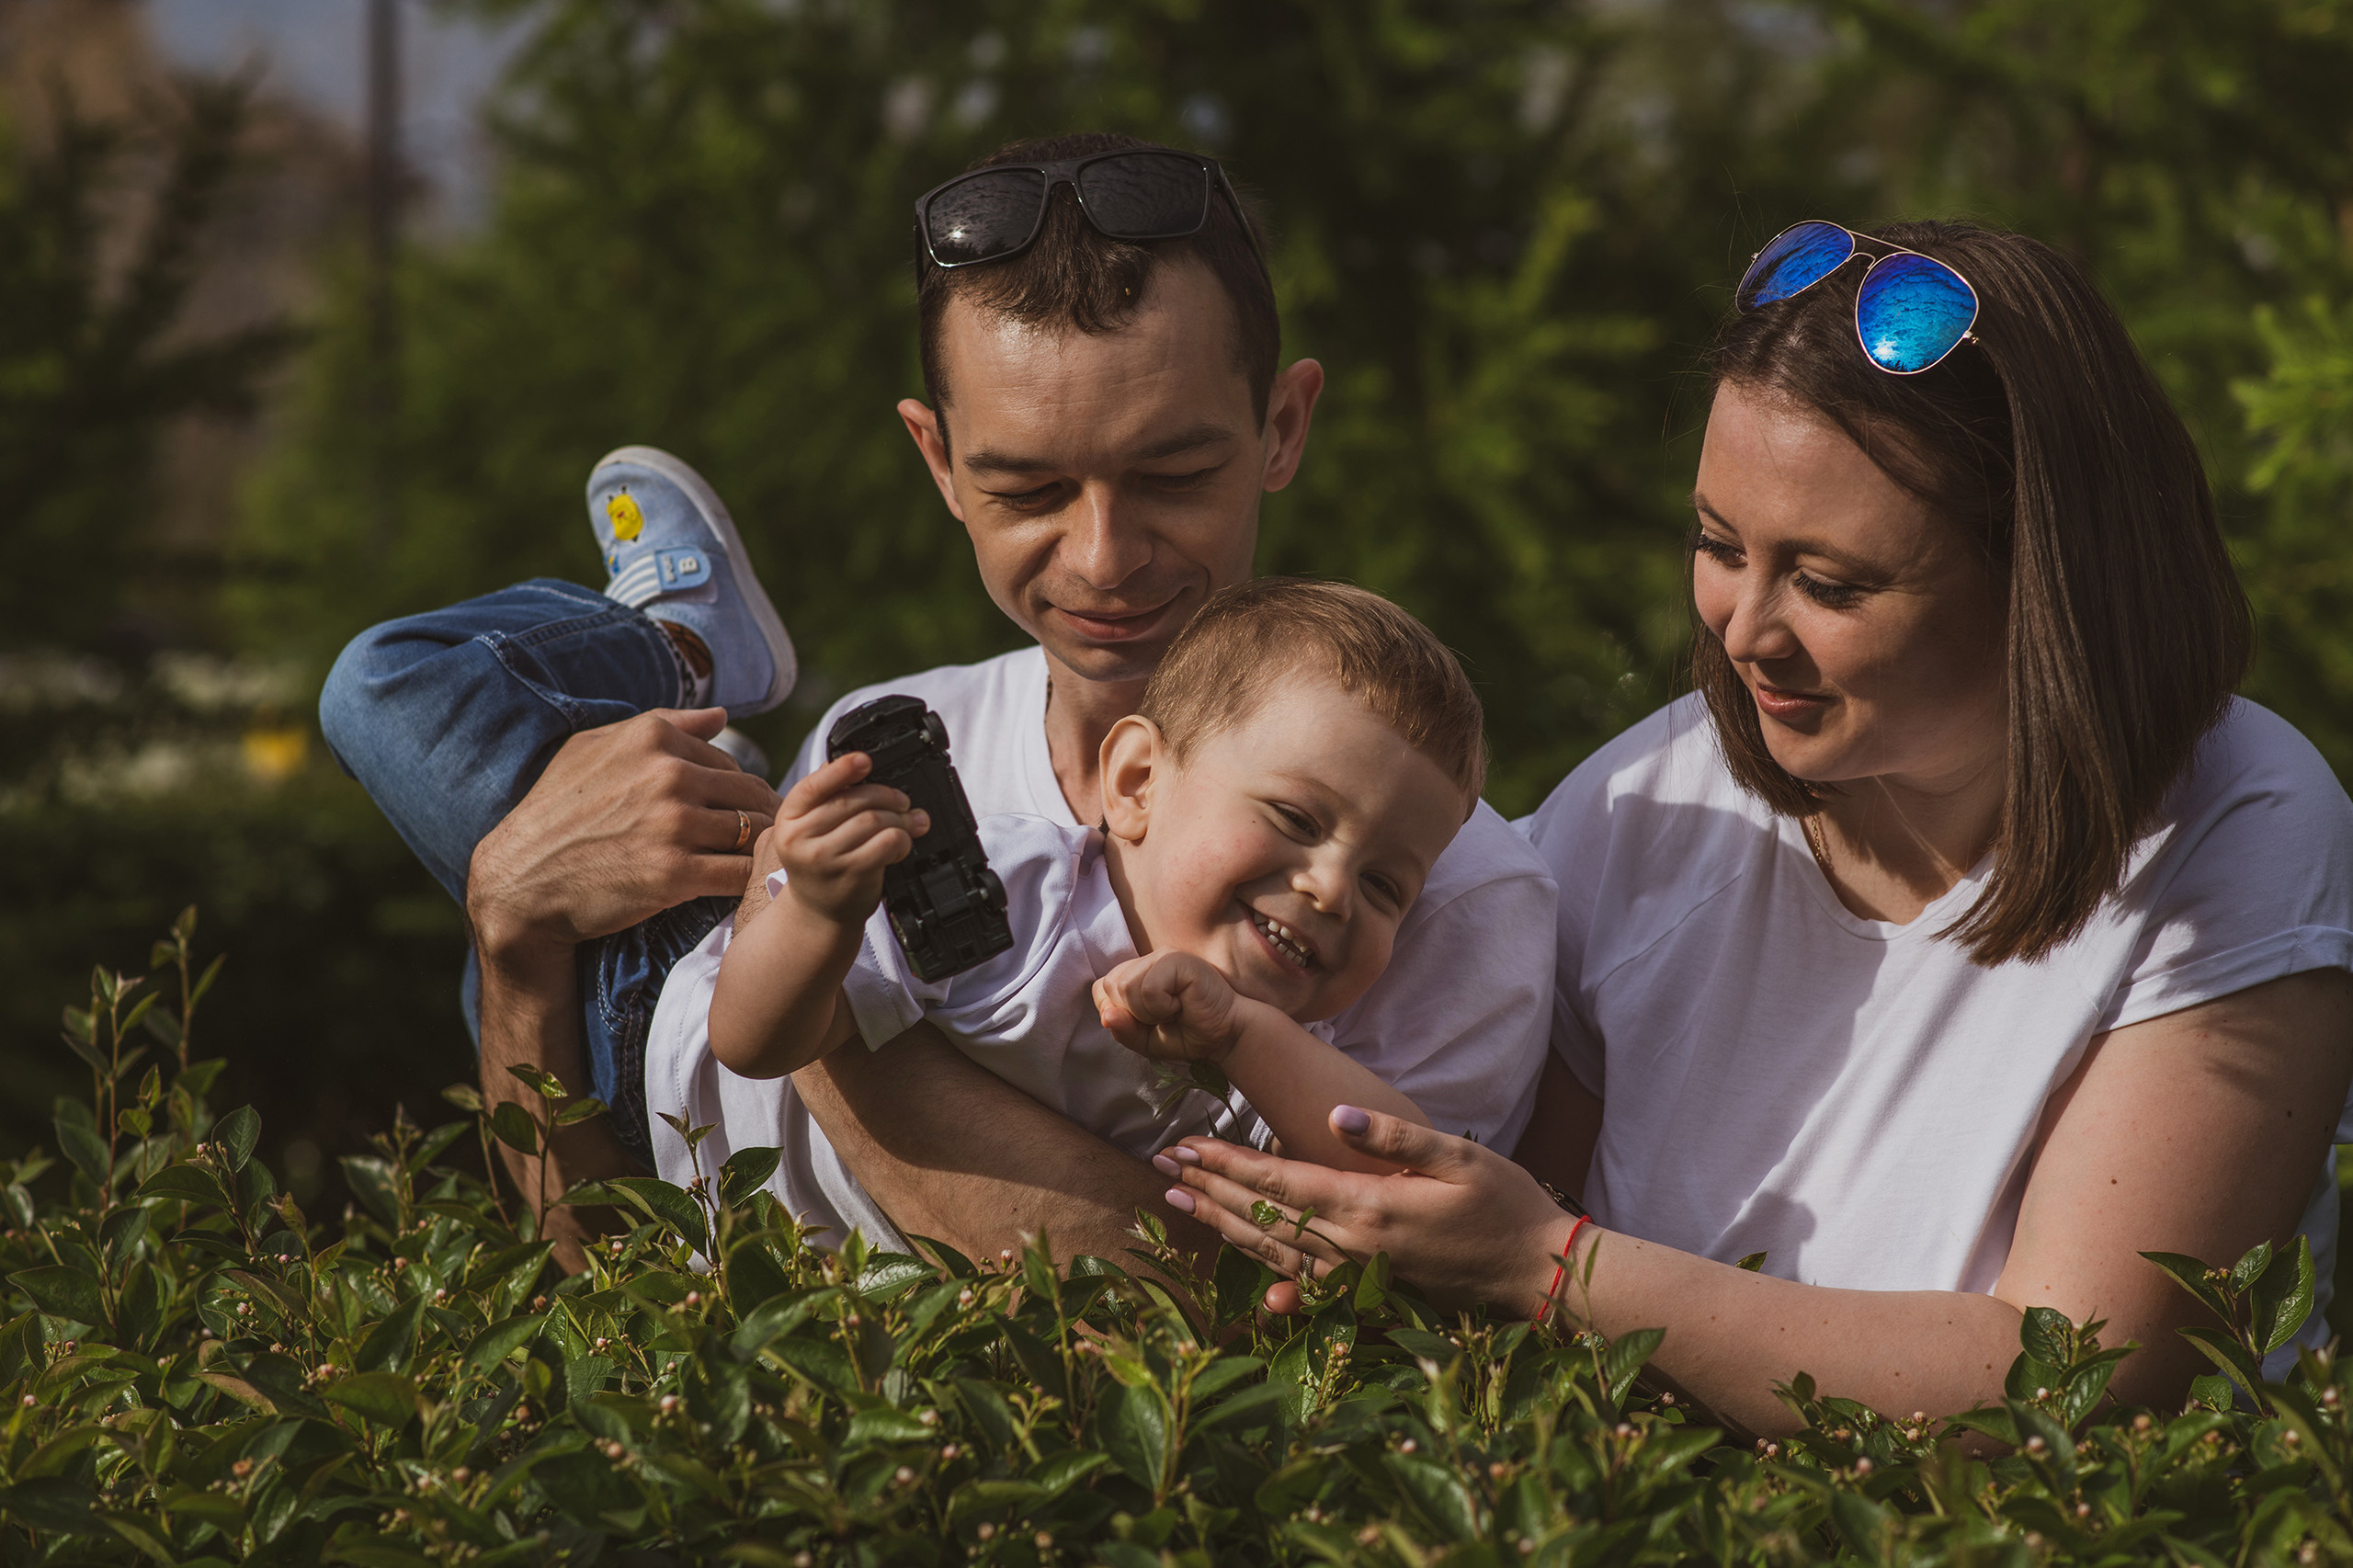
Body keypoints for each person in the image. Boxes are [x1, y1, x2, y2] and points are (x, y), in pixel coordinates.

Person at [1155, 219, 2353, 1433]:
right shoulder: (1653, 799)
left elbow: (2075, 1377)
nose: (1745, 631)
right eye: (1719, 547)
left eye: (1832, 584)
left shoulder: (2237, 826)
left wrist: (1554, 1267)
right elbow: (1469, 1155)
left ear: (2044, 574)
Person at [319, 131, 1556, 1266]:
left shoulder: (1455, 894)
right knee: (386, 694)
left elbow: (1225, 1323)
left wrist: (843, 1036)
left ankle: (685, 647)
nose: (1104, 558)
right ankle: (676, 650)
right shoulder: (904, 734)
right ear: (938, 461)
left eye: (1174, 473)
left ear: (1282, 427)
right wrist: (520, 939)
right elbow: (595, 1285)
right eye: (1028, 490)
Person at [649, 581, 1485, 1241]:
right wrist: (821, 917)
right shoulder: (1020, 889)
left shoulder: (1283, 1057)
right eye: (1296, 821)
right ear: (1134, 784)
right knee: (537, 730)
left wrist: (1245, 1035)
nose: (1332, 890)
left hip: (772, 1267)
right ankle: (668, 649)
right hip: (651, 1054)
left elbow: (1413, 1192)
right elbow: (757, 1043)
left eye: (1385, 887)